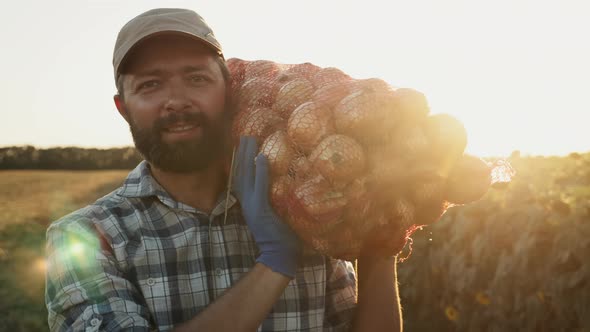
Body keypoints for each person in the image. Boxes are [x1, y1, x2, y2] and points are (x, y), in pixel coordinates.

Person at [45, 8, 402, 332]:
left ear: (229, 91)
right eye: (150, 84)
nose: (177, 100)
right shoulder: (85, 236)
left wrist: (379, 251)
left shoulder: (300, 206)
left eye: (197, 79)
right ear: (123, 108)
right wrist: (274, 265)